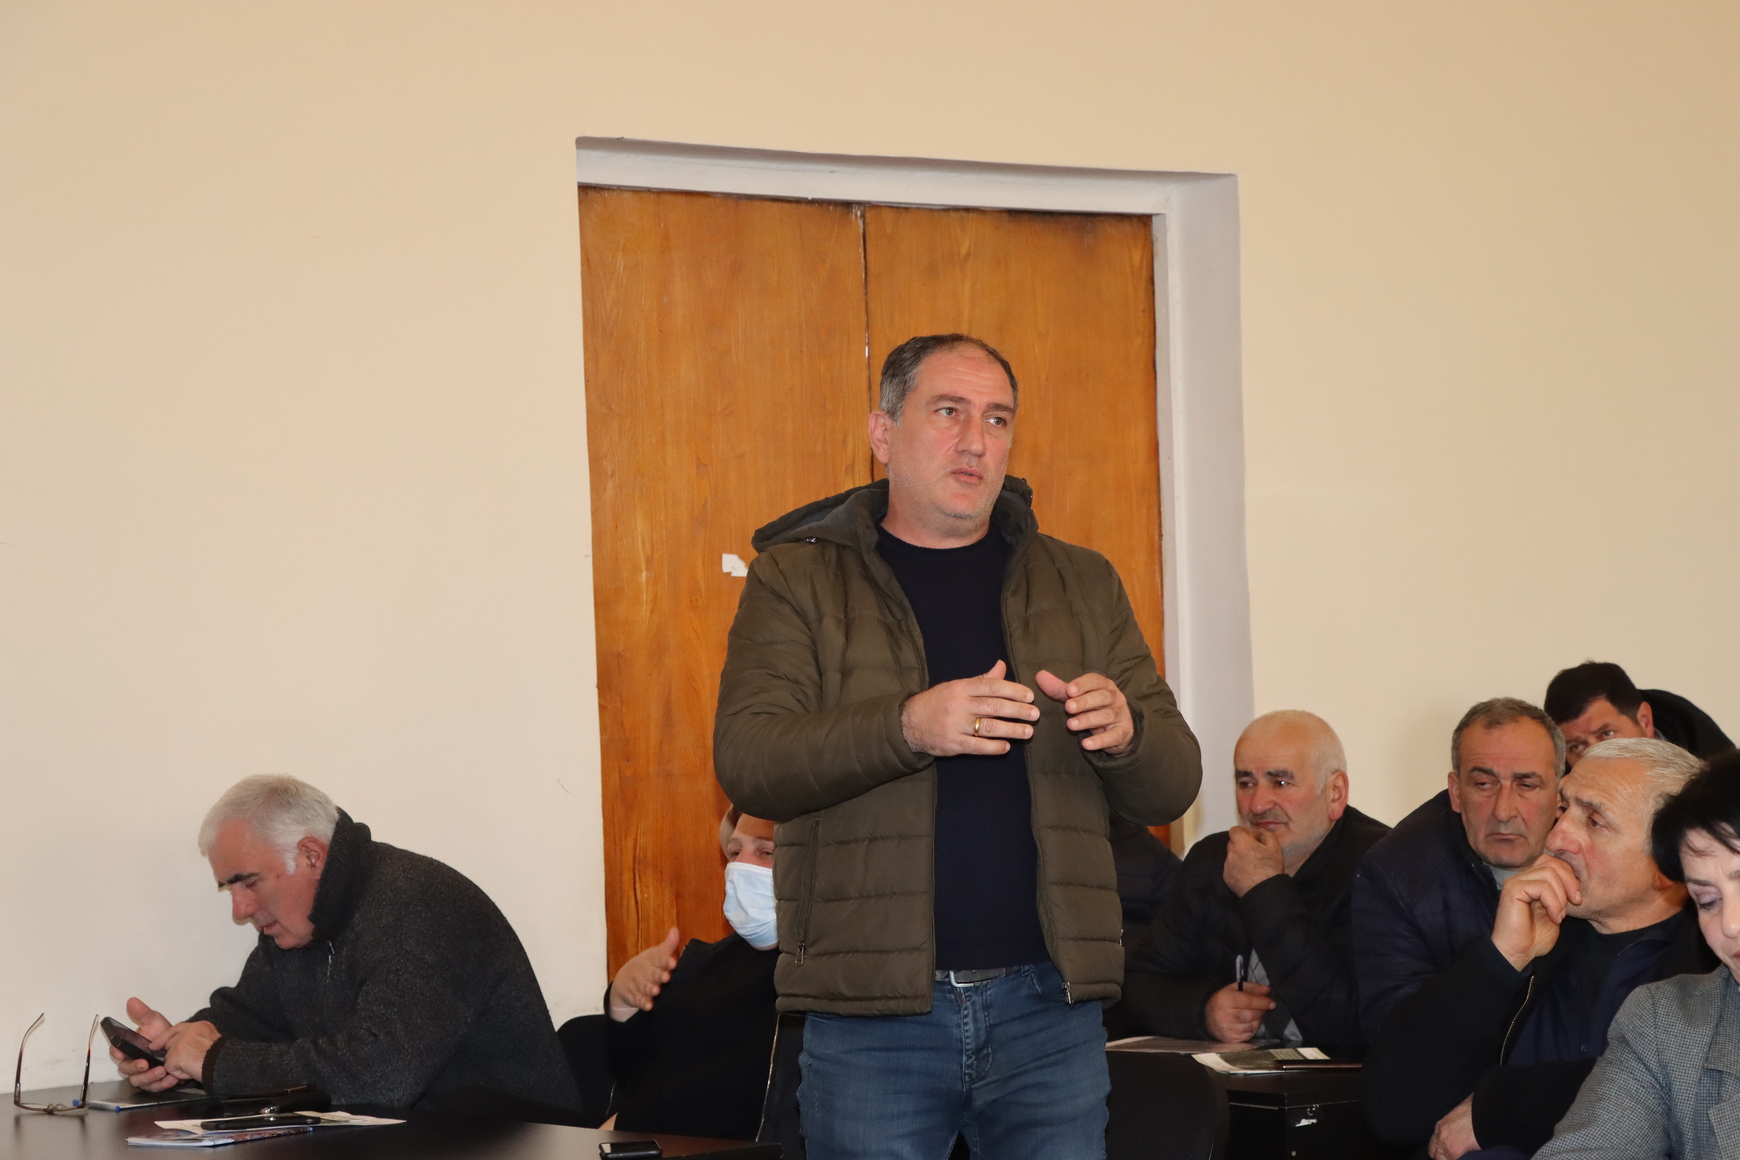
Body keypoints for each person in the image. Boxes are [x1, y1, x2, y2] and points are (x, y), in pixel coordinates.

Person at [714, 333, 1202, 1160]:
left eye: (997, 419)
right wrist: (908, 726)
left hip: (1051, 1009)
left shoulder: (1081, 581)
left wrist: (1128, 735)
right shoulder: (797, 579)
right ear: (883, 433)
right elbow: (750, 759)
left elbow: (1174, 784)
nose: (977, 441)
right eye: (949, 412)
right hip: (873, 1018)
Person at [109, 775, 580, 1113]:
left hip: (514, 1142)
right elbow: (249, 1021)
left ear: (311, 856)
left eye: (248, 882)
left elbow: (381, 1073)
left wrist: (214, 1060)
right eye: (229, 888)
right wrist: (171, 1051)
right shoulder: (297, 925)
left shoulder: (418, 906)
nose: (240, 909)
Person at [1364, 739, 1713, 1160]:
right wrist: (1499, 961)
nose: (1557, 837)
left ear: (1669, 864)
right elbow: (1393, 1112)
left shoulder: (1714, 969)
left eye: (1595, 821)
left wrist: (1499, 1107)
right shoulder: (1530, 939)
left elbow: (1682, 1087)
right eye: (1563, 810)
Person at [1117, 711, 1389, 1047]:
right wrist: (1204, 1011)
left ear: (1335, 793)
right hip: (1231, 1074)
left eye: (1280, 783)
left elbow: (1354, 1027)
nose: (1257, 805)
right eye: (1246, 783)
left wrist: (1263, 890)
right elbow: (1136, 988)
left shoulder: (1380, 867)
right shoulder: (1213, 861)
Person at [1536, 749, 1740, 1160]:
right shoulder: (1667, 1023)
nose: (1731, 924)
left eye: (1596, 820)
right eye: (1708, 900)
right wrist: (1497, 961)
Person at [1353, 698, 1567, 1040]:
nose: (1503, 811)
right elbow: (1395, 1040)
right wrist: (1498, 960)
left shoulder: (1596, 859)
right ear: (1455, 792)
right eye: (1484, 785)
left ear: (1560, 795)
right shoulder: (1397, 875)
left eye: (1526, 785)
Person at [602, 809, 781, 1140]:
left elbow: (740, 1089)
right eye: (734, 852)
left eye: (766, 852)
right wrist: (623, 1003)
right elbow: (634, 1074)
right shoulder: (702, 960)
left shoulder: (818, 974)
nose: (740, 866)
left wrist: (631, 1123)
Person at [1545, 661, 1733, 768]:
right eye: (1576, 747)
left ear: (1645, 720)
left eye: (1607, 734)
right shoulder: (1559, 799)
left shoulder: (1719, 774)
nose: (1594, 757)